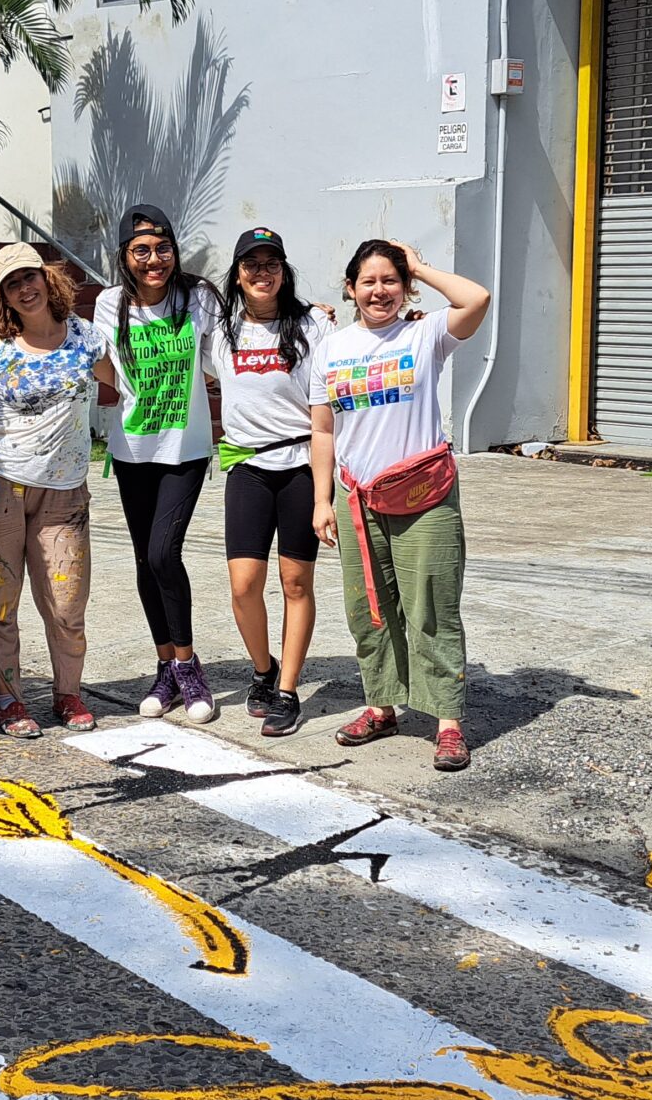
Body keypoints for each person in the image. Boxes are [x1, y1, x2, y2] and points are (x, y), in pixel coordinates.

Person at [310, 239, 492, 772]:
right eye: (368, 281)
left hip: (423, 496)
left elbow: (476, 299)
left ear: (405, 286)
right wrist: (323, 500)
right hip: (357, 496)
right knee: (369, 611)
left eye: (390, 280)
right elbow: (323, 430)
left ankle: (448, 722)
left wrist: (419, 266)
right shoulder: (331, 348)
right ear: (350, 290)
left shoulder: (423, 333)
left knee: (431, 608)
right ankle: (381, 705)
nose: (379, 291)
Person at [0, 243, 114, 738]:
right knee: (0, 602)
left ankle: (67, 692)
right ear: (2, 296)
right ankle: (8, 696)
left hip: (64, 492)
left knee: (67, 606)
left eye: (30, 277)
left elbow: (125, 383)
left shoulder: (87, 338)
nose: (25, 289)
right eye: (11, 284)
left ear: (48, 279)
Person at [93, 205, 221, 723]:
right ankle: (165, 667)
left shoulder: (198, 297)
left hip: (185, 449)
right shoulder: (109, 303)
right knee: (146, 561)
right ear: (125, 256)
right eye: (141, 250)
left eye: (162, 248)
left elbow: (223, 351)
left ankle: (189, 668)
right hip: (131, 450)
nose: (154, 260)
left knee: (165, 553)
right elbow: (103, 364)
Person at [206, 226, 330, 737]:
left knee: (295, 582)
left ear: (284, 271)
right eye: (251, 264)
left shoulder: (313, 325)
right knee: (243, 585)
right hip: (247, 467)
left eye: (271, 263)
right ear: (237, 275)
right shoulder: (219, 333)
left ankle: (287, 690)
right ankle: (264, 670)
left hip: (301, 464)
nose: (262, 272)